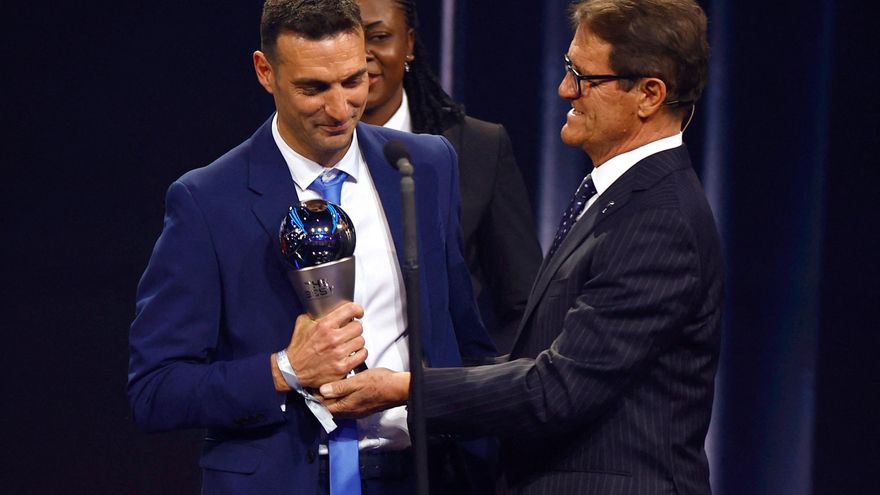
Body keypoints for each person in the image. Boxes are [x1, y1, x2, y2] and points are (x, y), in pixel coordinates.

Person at [320, 0, 723, 493]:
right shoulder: (617, 198)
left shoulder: (659, 220)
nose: (564, 89)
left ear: (649, 94)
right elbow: (539, 359)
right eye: (566, 69)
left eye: (583, 77)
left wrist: (404, 387)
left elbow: (558, 388)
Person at [126, 1, 496, 494]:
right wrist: (285, 369)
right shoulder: (206, 201)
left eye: (353, 80)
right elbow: (156, 390)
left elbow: (465, 339)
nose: (340, 109)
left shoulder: (424, 166)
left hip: (422, 475)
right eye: (314, 88)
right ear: (266, 72)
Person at [355, 0, 542, 354]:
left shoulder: (477, 148)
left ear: (409, 43)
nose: (363, 55)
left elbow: (525, 308)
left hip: (444, 400)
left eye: (379, 36)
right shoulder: (300, 148)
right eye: (347, 38)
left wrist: (472, 387)